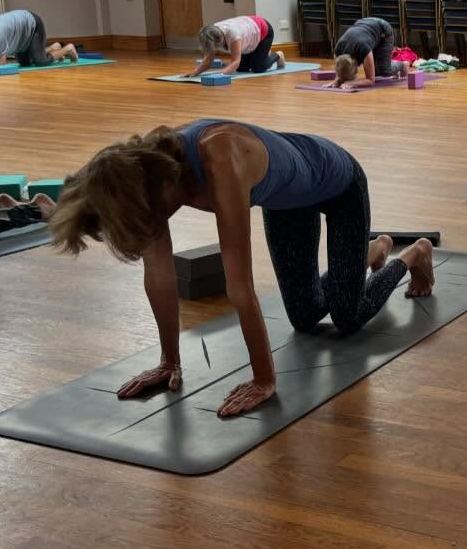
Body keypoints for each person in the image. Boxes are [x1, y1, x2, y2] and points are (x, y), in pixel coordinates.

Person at [49, 120, 435, 418]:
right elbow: (160, 276)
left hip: (339, 183)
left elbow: (240, 288)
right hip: (288, 201)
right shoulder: (145, 173)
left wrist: (265, 379)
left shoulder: (220, 160)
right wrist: (169, 361)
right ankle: (368, 252)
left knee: (347, 316)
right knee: (305, 315)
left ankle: (410, 255)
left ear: (159, 189)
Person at [0, 9, 76, 71]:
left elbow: (1, 64)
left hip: (32, 24)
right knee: (25, 63)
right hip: (20, 34)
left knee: (41, 61)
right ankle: (54, 48)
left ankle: (67, 49)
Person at [330, 16, 413, 91]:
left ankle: (402, 64)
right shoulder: (338, 51)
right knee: (374, 70)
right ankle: (391, 65)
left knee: (383, 71)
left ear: (356, 67)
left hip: (383, 29)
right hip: (366, 25)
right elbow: (340, 72)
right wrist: (336, 81)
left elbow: (371, 80)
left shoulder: (363, 48)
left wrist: (352, 83)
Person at [187, 15, 285, 77]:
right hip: (249, 39)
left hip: (264, 31)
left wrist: (221, 74)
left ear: (218, 40)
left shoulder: (233, 35)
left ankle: (278, 55)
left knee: (258, 68)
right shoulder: (210, 34)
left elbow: (235, 61)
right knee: (242, 68)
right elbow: (208, 60)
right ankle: (261, 54)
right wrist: (194, 73)